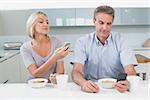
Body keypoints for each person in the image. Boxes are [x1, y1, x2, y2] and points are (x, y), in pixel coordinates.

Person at [71, 5, 137, 93]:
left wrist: (127, 82)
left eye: (108, 24)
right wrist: (83, 83)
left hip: (116, 88)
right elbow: (76, 71)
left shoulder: (122, 41)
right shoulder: (82, 42)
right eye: (101, 23)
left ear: (112, 23)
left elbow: (130, 70)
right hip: (90, 87)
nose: (105, 28)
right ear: (94, 21)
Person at [20, 11, 69, 84]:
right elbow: (35, 73)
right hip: (34, 85)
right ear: (32, 25)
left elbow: (60, 72)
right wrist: (55, 57)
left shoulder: (57, 42)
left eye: (47, 22)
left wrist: (57, 77)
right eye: (41, 22)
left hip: (51, 85)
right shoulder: (25, 48)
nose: (45, 24)